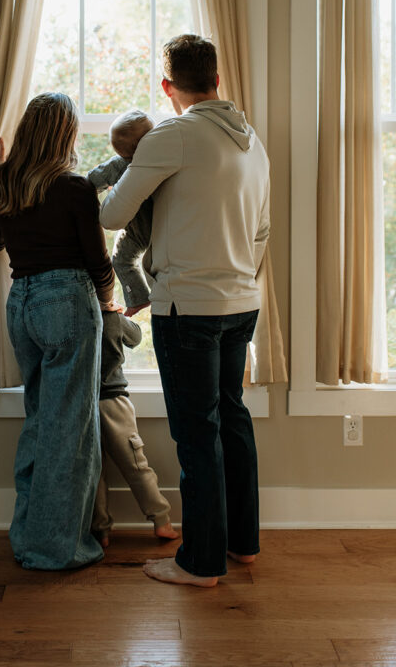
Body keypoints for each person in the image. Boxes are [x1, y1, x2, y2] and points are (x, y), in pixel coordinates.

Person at [100, 35, 271, 588]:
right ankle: (242, 545)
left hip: (189, 307)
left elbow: (112, 214)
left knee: (198, 434)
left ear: (169, 87)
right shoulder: (253, 143)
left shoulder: (173, 135)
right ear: (217, 81)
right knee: (233, 421)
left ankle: (200, 563)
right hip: (241, 301)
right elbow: (262, 231)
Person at [0, 93, 116, 571]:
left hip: (22, 305)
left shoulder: (8, 182)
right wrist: (108, 298)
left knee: (39, 421)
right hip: (67, 301)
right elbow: (98, 262)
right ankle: (56, 550)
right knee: (69, 430)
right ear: (67, 134)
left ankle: (28, 538)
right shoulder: (73, 188)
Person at [92, 307, 179, 548]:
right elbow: (137, 337)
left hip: (82, 404)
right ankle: (161, 520)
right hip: (114, 401)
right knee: (136, 464)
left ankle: (101, 530)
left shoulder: (72, 315)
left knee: (94, 471)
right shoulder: (113, 318)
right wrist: (118, 312)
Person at [87, 109, 155, 316]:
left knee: (122, 260)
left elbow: (90, 180)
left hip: (135, 230)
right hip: (163, 226)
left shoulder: (117, 166)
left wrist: (95, 203)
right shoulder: (158, 161)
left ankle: (138, 298)